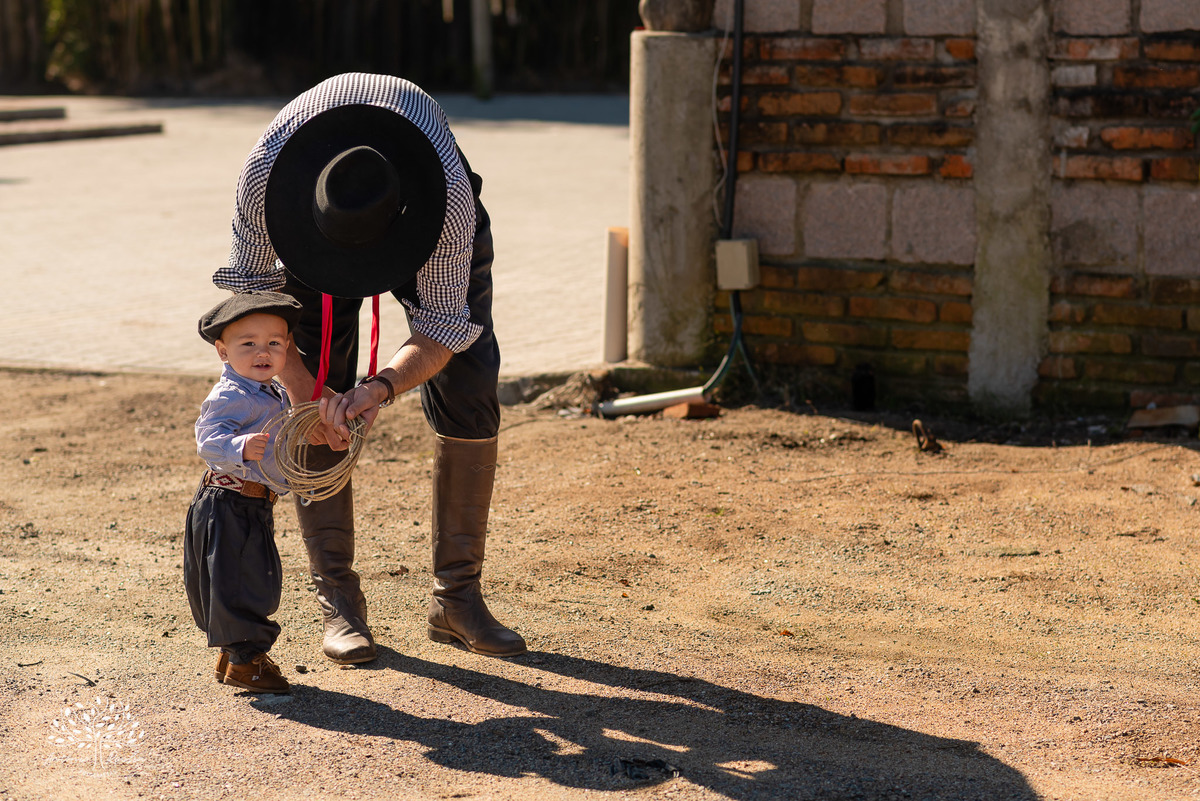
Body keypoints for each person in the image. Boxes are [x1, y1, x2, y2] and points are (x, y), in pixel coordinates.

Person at [213, 72, 526, 665]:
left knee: (472, 379)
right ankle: (339, 602)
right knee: (317, 395)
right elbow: (249, 310)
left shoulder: (447, 208)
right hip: (309, 234)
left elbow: (443, 330)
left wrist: (379, 389)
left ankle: (456, 601)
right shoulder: (265, 183)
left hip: (423, 224)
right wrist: (311, 395)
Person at [185, 290, 304, 694]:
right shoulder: (231, 394)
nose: (262, 352)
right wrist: (238, 446)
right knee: (246, 579)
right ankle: (246, 661)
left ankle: (233, 653)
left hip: (249, 499)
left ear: (287, 347)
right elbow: (207, 441)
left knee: (239, 575)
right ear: (223, 351)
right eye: (247, 343)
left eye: (274, 343)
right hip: (230, 501)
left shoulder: (271, 391)